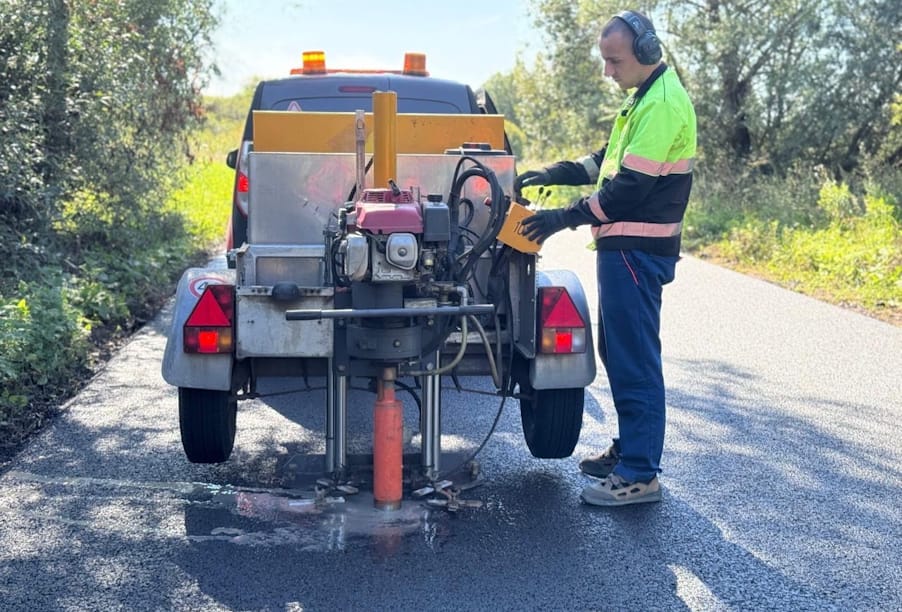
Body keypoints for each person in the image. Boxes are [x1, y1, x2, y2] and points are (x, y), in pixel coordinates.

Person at [517, 10, 697, 507]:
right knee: (618, 353)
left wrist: (562, 218)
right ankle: (630, 449)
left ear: (646, 53)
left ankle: (640, 475)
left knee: (635, 360)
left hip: (638, 250)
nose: (608, 72)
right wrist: (549, 172)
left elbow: (627, 189)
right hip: (624, 251)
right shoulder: (642, 100)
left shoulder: (662, 105)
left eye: (614, 61)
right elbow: (604, 162)